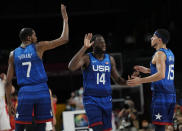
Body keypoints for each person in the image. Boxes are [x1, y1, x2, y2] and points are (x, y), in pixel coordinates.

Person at [5, 4, 69, 131]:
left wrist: (9, 102)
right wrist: (65, 20)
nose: (36, 37)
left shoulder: (13, 54)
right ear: (29, 37)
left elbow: (8, 82)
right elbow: (64, 39)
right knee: (42, 125)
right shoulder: (38, 47)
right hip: (41, 90)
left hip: (25, 92)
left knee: (19, 125)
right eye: (34, 35)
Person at [68, 33, 126, 131]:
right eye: (100, 42)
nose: (104, 44)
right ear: (93, 45)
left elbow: (118, 79)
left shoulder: (110, 59)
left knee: (107, 129)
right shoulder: (87, 58)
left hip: (107, 99)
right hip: (91, 99)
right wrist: (84, 47)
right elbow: (71, 67)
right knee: (97, 128)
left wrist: (130, 81)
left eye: (104, 42)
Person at [127, 29, 176, 131]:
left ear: (159, 39)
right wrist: (148, 70)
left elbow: (161, 75)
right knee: (167, 126)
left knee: (159, 127)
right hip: (170, 93)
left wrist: (140, 81)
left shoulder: (159, 54)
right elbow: (164, 72)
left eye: (153, 36)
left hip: (161, 94)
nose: (151, 38)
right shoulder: (170, 53)